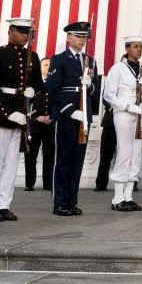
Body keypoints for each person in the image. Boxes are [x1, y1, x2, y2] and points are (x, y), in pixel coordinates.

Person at [0, 17, 41, 221]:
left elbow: (39, 86)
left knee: (12, 163)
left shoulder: (33, 56)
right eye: (22, 31)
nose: (25, 36)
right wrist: (8, 112)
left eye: (28, 33)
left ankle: (4, 203)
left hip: (22, 113)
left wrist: (34, 91)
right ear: (11, 31)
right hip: (1, 114)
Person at [45, 20, 100, 217]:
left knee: (77, 161)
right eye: (78, 36)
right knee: (63, 159)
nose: (81, 40)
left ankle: (71, 201)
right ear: (69, 38)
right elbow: (52, 88)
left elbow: (95, 91)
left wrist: (90, 85)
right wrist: (69, 110)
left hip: (84, 115)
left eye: (84, 36)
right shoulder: (59, 59)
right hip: (67, 115)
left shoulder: (90, 61)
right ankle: (59, 202)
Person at [103, 34, 142, 211]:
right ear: (127, 48)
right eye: (135, 46)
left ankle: (129, 195)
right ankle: (117, 197)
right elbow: (109, 95)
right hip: (124, 112)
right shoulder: (118, 69)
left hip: (140, 112)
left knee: (136, 153)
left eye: (140, 46)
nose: (138, 49)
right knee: (124, 151)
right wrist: (128, 107)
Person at [24, 57, 55, 192]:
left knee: (49, 156)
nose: (47, 68)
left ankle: (47, 183)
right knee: (31, 155)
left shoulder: (54, 83)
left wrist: (52, 117)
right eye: (45, 65)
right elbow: (26, 104)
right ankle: (29, 183)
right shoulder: (33, 84)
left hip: (50, 125)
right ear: (40, 67)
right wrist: (36, 116)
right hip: (35, 125)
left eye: (49, 65)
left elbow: (58, 102)